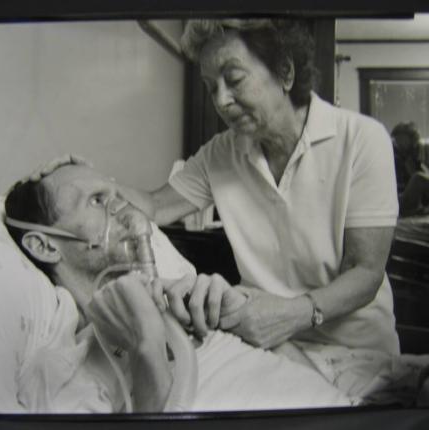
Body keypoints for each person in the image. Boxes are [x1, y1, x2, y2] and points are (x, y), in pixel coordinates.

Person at [120, 19, 401, 357]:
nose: (221, 100)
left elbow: (365, 272)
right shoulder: (220, 154)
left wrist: (293, 314)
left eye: (234, 79)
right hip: (269, 350)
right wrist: (85, 178)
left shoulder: (361, 139)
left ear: (285, 72)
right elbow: (154, 205)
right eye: (211, 87)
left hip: (357, 352)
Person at [3, 156, 355, 413]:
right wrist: (146, 346)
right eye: (97, 201)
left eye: (115, 195)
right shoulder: (58, 372)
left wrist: (244, 322)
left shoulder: (186, 305)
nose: (124, 212)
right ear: (45, 245)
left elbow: (318, 391)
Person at [391, 121, 429, 217]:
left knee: (418, 178)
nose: (397, 146)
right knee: (418, 178)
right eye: (396, 142)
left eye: (399, 141)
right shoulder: (409, 155)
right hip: (398, 203)